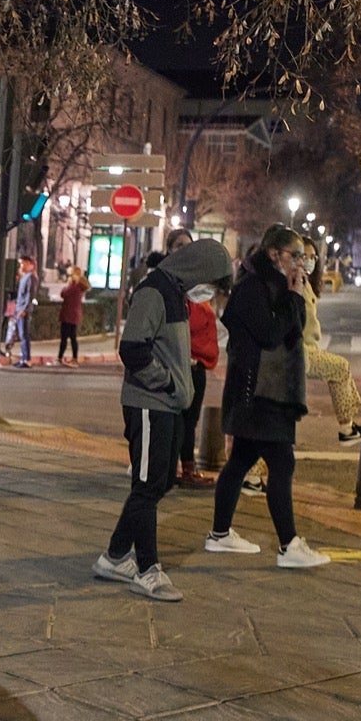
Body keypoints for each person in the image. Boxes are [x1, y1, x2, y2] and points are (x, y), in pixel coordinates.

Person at [94, 240, 233, 602]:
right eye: (212, 283)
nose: (210, 293)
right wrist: (168, 382)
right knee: (147, 486)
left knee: (158, 484)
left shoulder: (177, 294)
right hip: (149, 404)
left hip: (167, 405)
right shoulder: (155, 291)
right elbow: (133, 349)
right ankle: (148, 569)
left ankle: (114, 556)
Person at [203, 225, 330, 569]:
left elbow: (298, 326)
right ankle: (289, 545)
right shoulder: (252, 287)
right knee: (281, 463)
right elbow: (271, 335)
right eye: (296, 256)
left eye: (304, 257)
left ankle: (219, 534)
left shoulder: (277, 283)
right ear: (275, 254)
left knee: (241, 461)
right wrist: (291, 296)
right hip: (258, 391)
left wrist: (296, 292)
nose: (302, 263)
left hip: (267, 391)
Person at [299, 236, 361, 444]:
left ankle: (348, 427)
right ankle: (347, 428)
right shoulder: (294, 281)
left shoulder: (304, 281)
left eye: (313, 257)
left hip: (307, 348)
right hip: (301, 351)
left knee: (341, 369)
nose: (309, 261)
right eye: (304, 256)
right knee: (340, 368)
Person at [161, 230, 222, 487]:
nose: (184, 250)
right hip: (180, 364)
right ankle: (172, 469)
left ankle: (185, 468)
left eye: (188, 246)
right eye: (179, 246)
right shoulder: (169, 286)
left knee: (189, 420)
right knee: (177, 419)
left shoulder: (196, 285)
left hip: (198, 364)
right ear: (169, 250)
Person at [7, 251, 36, 366]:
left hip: (23, 311)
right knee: (21, 334)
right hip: (19, 309)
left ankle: (26, 359)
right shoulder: (24, 277)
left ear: (29, 264)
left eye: (23, 263)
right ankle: (24, 357)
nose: (21, 266)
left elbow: (29, 295)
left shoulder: (30, 278)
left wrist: (24, 309)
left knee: (24, 335)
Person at [58, 266, 90, 366]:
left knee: (65, 337)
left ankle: (61, 357)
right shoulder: (78, 287)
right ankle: (73, 357)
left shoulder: (74, 287)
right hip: (73, 315)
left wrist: (67, 286)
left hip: (69, 315)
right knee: (72, 337)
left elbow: (64, 294)